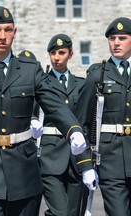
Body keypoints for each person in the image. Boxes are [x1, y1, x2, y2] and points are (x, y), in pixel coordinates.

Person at [0, 6, 96, 216]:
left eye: (8, 29)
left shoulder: (30, 69)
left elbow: (54, 104)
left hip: (24, 172)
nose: (3, 36)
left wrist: (73, 129)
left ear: (15, 32)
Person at [76, 17, 131, 216]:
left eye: (122, 38)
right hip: (110, 162)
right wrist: (85, 165)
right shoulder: (97, 76)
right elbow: (81, 124)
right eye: (112, 38)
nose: (116, 43)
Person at [38, 34, 97, 216]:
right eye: (53, 53)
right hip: (50, 155)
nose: (56, 57)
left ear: (70, 54)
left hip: (76, 157)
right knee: (60, 212)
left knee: (74, 212)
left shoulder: (81, 84)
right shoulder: (41, 83)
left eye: (61, 52)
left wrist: (87, 162)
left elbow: (86, 124)